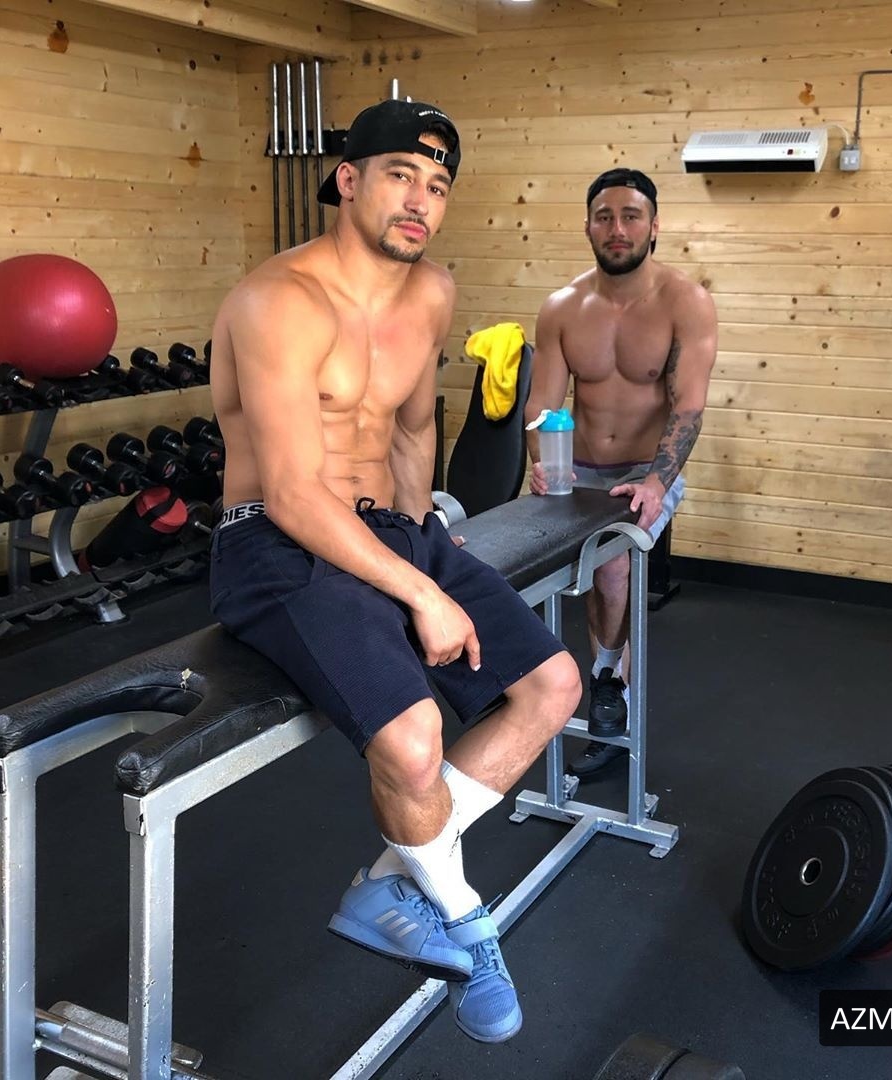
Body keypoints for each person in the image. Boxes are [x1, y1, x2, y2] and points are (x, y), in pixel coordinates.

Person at [207, 99, 581, 1045]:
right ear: (349, 179)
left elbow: (413, 433)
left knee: (552, 685)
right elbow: (293, 492)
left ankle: (388, 882)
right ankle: (467, 919)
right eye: (401, 176)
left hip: (389, 527)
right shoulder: (277, 300)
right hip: (276, 543)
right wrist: (420, 595)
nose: (420, 201)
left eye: (438, 185)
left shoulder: (432, 295)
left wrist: (430, 549)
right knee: (414, 746)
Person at [524, 168, 717, 779]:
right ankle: (574, 683)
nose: (617, 228)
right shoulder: (562, 308)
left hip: (647, 467)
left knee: (610, 564)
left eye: (631, 216)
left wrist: (658, 482)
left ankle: (607, 682)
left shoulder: (685, 303)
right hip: (577, 467)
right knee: (567, 572)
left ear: (654, 227)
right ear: (587, 226)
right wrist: (541, 462)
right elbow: (543, 405)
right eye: (604, 216)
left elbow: (688, 407)